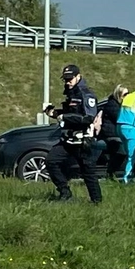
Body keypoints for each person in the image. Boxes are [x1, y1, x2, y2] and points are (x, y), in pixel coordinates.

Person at [44, 64, 102, 203]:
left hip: (83, 141)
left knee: (88, 173)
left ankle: (97, 202)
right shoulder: (71, 93)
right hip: (68, 139)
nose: (67, 82)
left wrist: (64, 117)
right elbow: (70, 113)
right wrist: (54, 113)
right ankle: (65, 192)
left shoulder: (86, 94)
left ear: (78, 77)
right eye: (65, 79)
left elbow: (88, 118)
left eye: (70, 79)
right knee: (51, 161)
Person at [100, 85, 128, 179]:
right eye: (125, 94)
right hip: (111, 134)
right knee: (121, 150)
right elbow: (120, 118)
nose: (127, 97)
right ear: (119, 95)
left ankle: (114, 172)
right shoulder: (112, 105)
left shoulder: (121, 106)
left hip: (118, 134)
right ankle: (111, 172)